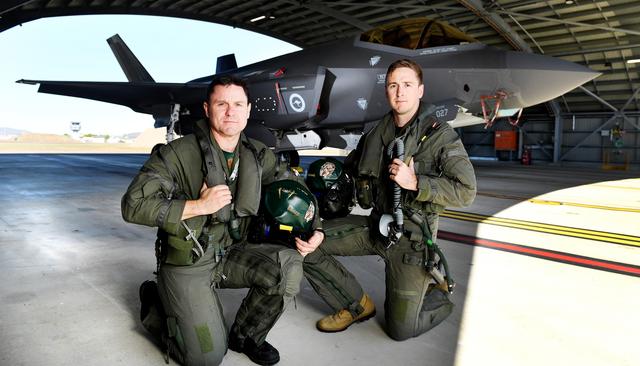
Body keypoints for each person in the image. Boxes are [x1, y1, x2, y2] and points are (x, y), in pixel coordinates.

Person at [121, 75, 324, 366]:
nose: (231, 111)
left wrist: (315, 228)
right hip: (190, 262)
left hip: (233, 251)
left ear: (249, 110)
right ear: (207, 108)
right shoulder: (177, 154)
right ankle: (156, 303)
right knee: (207, 357)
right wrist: (198, 205)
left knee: (288, 266)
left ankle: (245, 335)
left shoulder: (257, 154)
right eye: (222, 103)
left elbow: (298, 191)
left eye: (238, 104)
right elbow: (133, 206)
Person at [303, 59, 477, 341]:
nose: (400, 92)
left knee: (400, 331)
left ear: (420, 90)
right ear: (387, 91)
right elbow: (348, 172)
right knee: (306, 241)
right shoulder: (375, 134)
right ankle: (355, 305)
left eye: (407, 85)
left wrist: (416, 182)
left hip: (412, 242)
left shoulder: (439, 136)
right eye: (394, 85)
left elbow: (466, 191)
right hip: (376, 228)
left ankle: (438, 290)